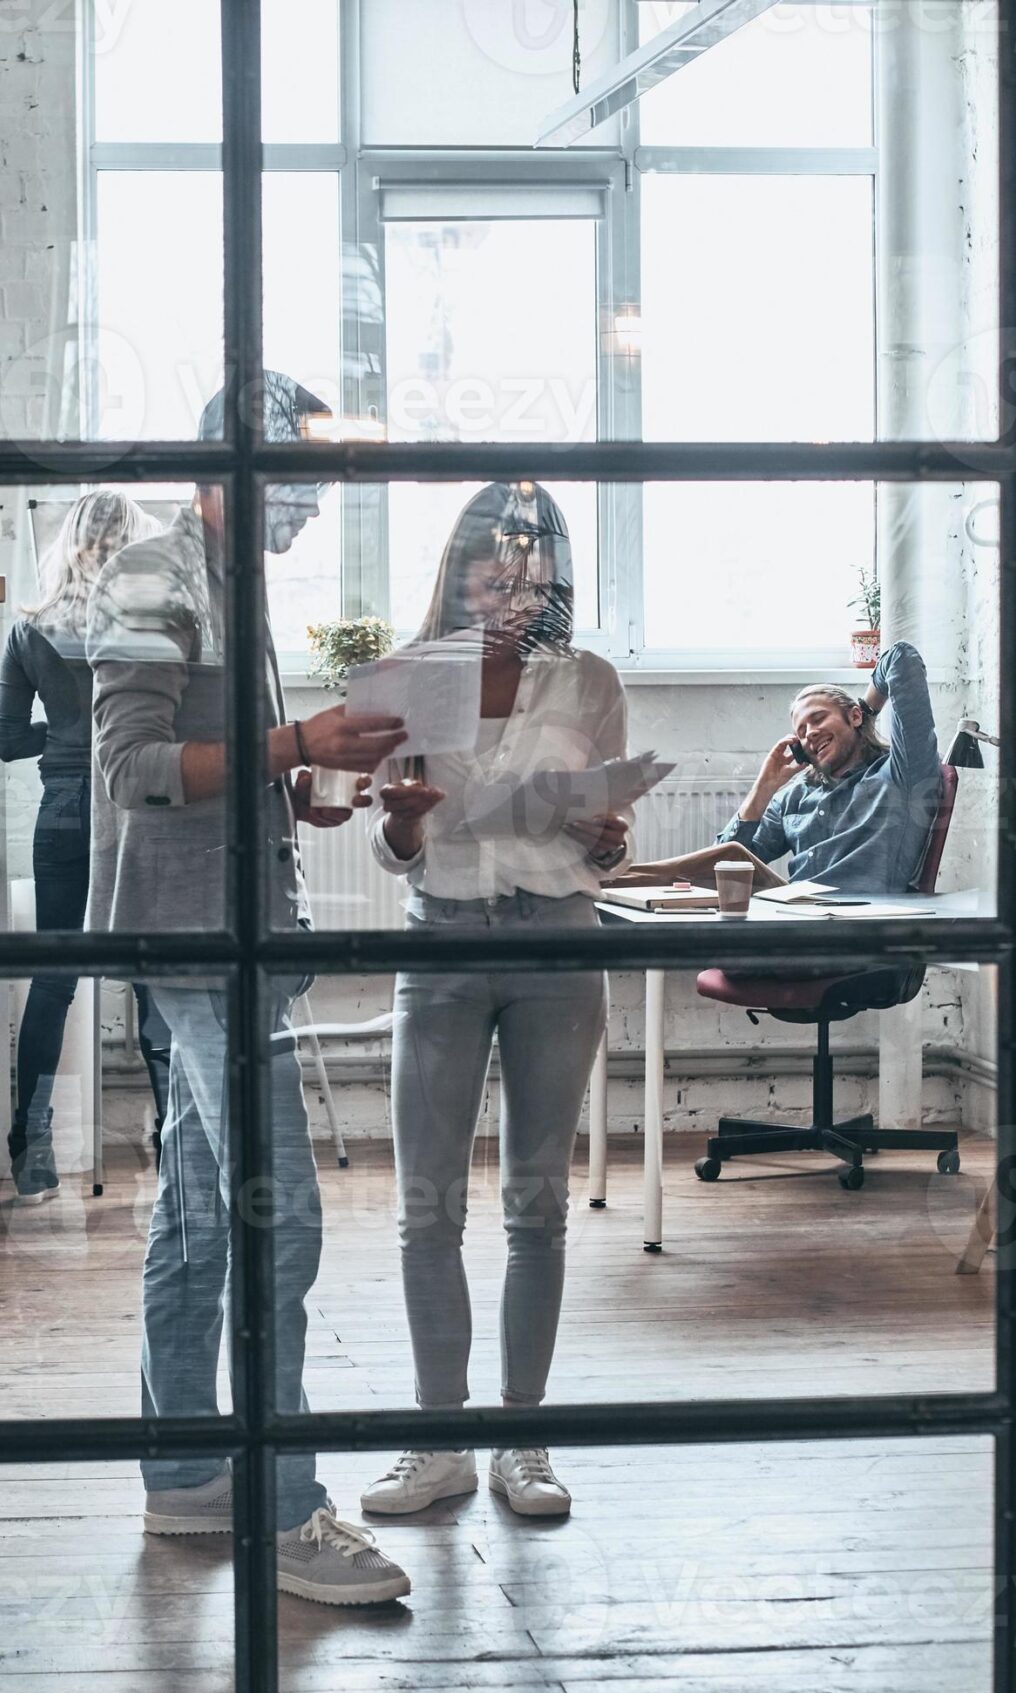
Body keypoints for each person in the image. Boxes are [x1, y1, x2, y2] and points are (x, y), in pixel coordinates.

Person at [88, 371, 415, 1607]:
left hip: (229, 936)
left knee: (198, 1209)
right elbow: (131, 767)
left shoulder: (233, 585)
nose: (313, 504)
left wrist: (310, 786)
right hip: (192, 945)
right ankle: (285, 1508)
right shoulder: (155, 573)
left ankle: (182, 1469)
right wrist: (298, 742)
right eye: (298, 478)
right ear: (233, 463)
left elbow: (226, 765)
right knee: (281, 1218)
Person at [359, 482, 625, 1524]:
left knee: (537, 1205)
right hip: (442, 942)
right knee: (427, 1204)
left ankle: (523, 1436)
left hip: (558, 942)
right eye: (490, 565)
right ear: (459, 568)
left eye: (529, 568)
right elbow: (388, 850)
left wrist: (608, 837)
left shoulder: (587, 679)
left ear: (553, 576)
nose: (509, 584)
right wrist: (407, 826)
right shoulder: (409, 676)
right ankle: (437, 1439)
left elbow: (608, 835)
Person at [0, 489, 174, 1204]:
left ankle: (31, 1142)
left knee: (55, 976)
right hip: (141, 807)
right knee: (156, 971)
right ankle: (173, 1135)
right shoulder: (151, 622)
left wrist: (67, 742)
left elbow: (7, 742)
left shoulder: (29, 629)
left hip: (64, 809)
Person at [618, 641, 941, 894]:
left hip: (853, 925)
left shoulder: (900, 774)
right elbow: (721, 869)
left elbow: (902, 658)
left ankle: (606, 891)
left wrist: (866, 709)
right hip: (791, 915)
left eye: (818, 719)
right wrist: (763, 789)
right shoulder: (796, 797)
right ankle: (607, 887)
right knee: (731, 858)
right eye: (801, 731)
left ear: (853, 717)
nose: (810, 733)